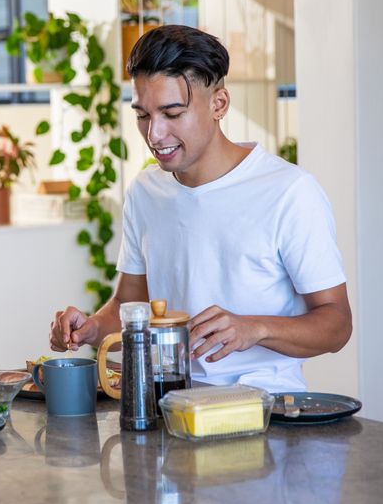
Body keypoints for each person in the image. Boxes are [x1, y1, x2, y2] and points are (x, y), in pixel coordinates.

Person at [49, 25, 351, 392]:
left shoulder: (290, 192)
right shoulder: (145, 192)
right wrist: (93, 327)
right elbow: (129, 305)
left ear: (219, 104)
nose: (154, 134)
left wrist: (255, 329)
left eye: (172, 113)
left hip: (265, 411)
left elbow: (336, 324)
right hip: (170, 407)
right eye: (143, 115)